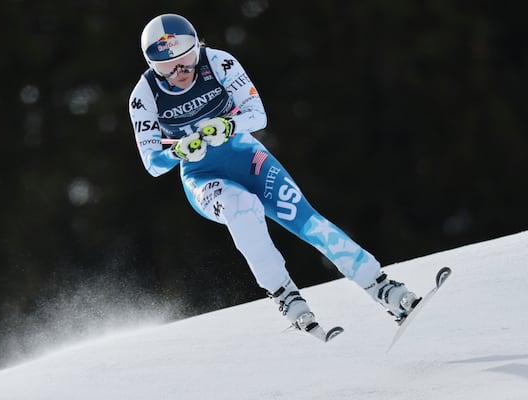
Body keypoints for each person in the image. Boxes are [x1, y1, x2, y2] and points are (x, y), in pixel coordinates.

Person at [129, 14, 418, 341]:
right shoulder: (144, 96)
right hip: (202, 176)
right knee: (242, 209)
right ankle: (285, 296)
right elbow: (152, 162)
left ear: (198, 49)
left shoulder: (219, 63)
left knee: (305, 218)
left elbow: (257, 114)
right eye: (168, 68)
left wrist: (228, 126)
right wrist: (179, 151)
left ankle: (382, 287)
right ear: (153, 66)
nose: (181, 74)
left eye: (187, 61)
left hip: (247, 156)